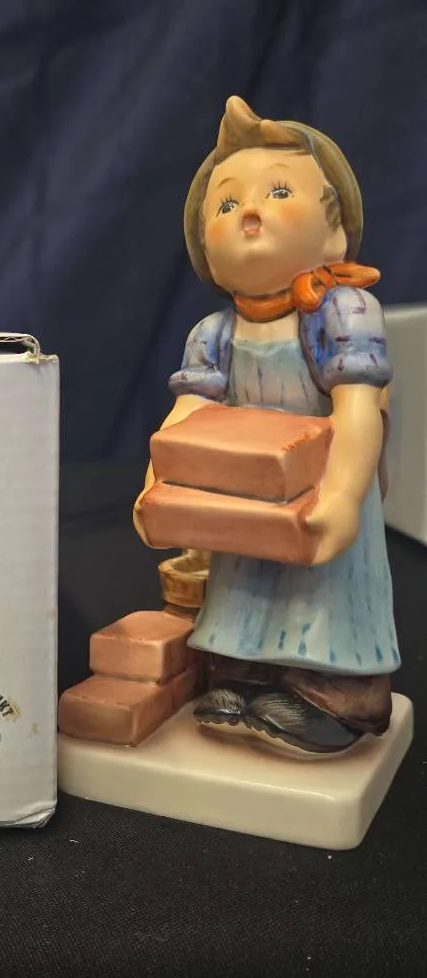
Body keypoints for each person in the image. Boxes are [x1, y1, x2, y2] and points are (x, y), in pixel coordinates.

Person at [134, 96, 398, 757]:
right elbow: (188, 415)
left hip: (320, 486)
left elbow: (359, 409)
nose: (248, 211)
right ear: (205, 249)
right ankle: (246, 680)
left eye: (279, 192)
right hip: (245, 498)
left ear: (336, 233)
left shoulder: (342, 312)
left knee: (324, 593)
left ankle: (333, 697)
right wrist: (158, 485)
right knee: (244, 587)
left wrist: (342, 497)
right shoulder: (214, 333)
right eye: (226, 204)